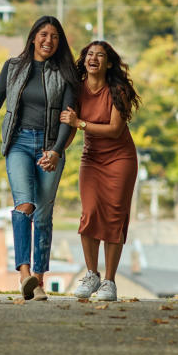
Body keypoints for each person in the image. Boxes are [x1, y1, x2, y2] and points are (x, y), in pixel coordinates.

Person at [0, 15, 78, 300]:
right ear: (33, 37)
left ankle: (40, 282)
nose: (49, 40)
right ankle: (24, 275)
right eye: (44, 34)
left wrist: (56, 151)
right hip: (18, 142)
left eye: (55, 36)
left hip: (49, 147)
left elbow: (68, 118)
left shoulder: (65, 74)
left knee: (43, 215)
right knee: (25, 205)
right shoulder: (13, 67)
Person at [59, 39, 141, 302]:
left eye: (100, 55)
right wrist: (57, 150)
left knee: (114, 217)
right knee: (90, 213)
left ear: (108, 63)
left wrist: (80, 123)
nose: (93, 58)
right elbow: (70, 128)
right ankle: (91, 274)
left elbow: (115, 130)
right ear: (84, 60)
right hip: (91, 157)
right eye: (89, 54)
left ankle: (109, 281)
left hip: (120, 158)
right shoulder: (76, 90)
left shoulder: (117, 90)